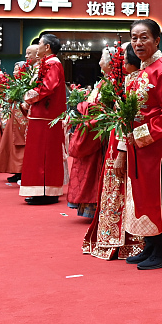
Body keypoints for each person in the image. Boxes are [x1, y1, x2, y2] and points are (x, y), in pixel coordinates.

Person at [112, 18, 162, 270]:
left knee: (159, 194)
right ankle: (151, 245)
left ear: (156, 40)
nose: (138, 43)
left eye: (144, 37)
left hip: (159, 148)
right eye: (134, 38)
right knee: (145, 195)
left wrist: (140, 134)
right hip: (142, 148)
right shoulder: (143, 71)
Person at [83, 44, 144, 261]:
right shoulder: (125, 82)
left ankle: (130, 239)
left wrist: (121, 150)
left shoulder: (133, 83)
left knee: (126, 186)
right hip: (120, 140)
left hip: (125, 141)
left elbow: (128, 120)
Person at [21, 35, 68, 204]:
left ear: (47, 47)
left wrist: (28, 97)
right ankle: (40, 189)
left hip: (46, 116)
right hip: (41, 115)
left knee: (45, 154)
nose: (37, 46)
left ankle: (47, 191)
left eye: (39, 44)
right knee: (38, 154)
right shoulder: (46, 63)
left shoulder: (53, 63)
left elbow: (47, 87)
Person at [66, 49, 113, 218]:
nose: (99, 62)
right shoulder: (104, 81)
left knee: (97, 168)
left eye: (102, 58)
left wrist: (84, 107)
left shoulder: (112, 82)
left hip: (101, 130)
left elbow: (105, 108)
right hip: (95, 126)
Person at [0, 46, 38, 184]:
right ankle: (15, 170)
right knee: (12, 145)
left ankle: (21, 171)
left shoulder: (27, 82)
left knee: (21, 145)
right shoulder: (14, 84)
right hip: (14, 117)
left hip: (23, 116)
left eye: (17, 69)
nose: (14, 72)